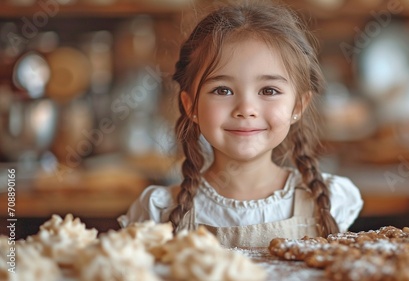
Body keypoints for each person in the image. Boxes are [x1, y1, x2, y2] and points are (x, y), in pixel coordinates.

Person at [118, 0, 363, 248]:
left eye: (269, 90)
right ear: (191, 105)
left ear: (298, 106)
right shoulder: (158, 211)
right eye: (222, 90)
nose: (246, 109)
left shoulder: (331, 200)